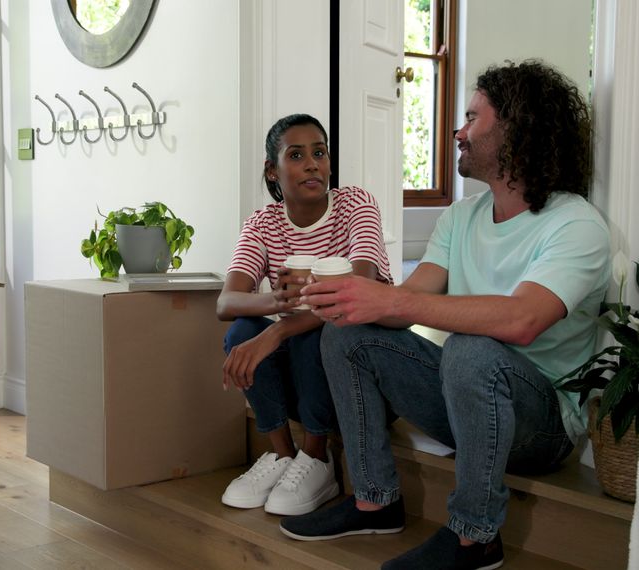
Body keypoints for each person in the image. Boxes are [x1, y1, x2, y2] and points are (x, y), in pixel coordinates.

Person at [280, 60, 610, 570]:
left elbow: (523, 319)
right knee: (348, 334)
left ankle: (475, 537)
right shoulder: (460, 217)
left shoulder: (576, 225)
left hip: (542, 426)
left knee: (474, 348)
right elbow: (406, 301)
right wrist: (347, 294)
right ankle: (375, 500)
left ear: (518, 131)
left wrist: (394, 301)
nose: (458, 132)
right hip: (467, 400)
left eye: (473, 119)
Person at [217, 113, 392, 517]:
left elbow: (360, 285)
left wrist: (276, 333)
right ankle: (282, 456)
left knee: (317, 332)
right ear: (272, 170)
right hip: (303, 373)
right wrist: (277, 302)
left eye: (320, 152)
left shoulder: (356, 204)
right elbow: (226, 303)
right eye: (296, 155)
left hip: (356, 368)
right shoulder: (263, 223)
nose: (313, 163)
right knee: (243, 331)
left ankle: (318, 458)